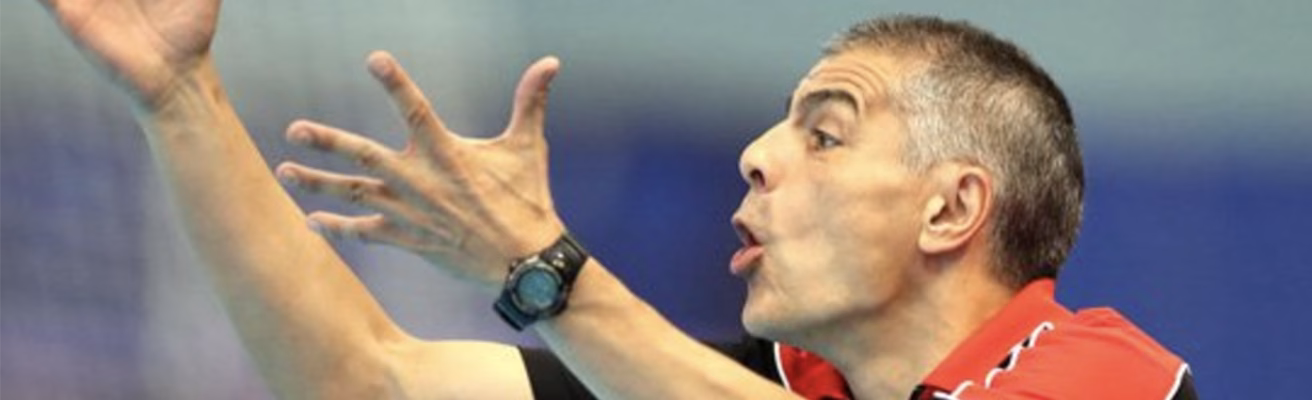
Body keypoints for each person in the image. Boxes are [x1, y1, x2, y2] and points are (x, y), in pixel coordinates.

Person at [40, 0, 1197, 398]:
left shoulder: (1105, 377)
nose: (758, 156)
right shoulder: (769, 381)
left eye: (825, 132)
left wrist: (544, 271)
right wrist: (179, 99)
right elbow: (363, 375)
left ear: (953, 210)